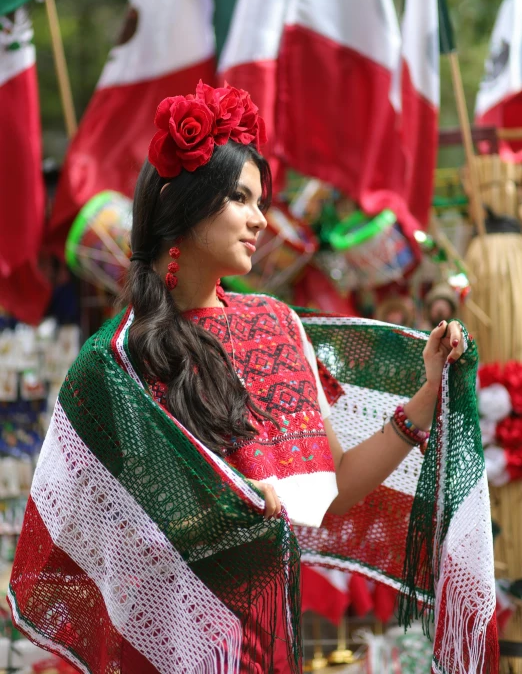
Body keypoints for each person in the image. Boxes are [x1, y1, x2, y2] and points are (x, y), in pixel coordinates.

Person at [9, 83, 465, 674]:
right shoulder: (117, 358)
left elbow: (328, 494)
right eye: (241, 199)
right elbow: (92, 536)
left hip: (265, 642)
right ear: (187, 207)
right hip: (164, 641)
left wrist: (425, 400)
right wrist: (229, 509)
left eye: (261, 200)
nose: (259, 219)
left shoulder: (277, 325)